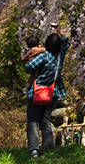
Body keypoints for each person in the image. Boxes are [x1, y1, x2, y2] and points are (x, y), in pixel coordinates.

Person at [25, 27, 70, 156]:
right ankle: (48, 149)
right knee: (46, 121)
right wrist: (60, 30)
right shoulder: (60, 56)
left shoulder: (45, 56)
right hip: (52, 93)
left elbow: (29, 68)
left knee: (32, 121)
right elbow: (66, 42)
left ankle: (34, 150)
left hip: (37, 92)